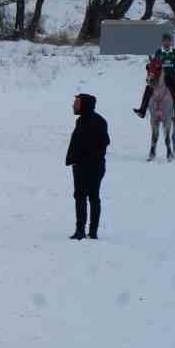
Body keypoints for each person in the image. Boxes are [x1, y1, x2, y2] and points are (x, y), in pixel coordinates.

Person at [66, 92, 110, 240]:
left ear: (84, 105)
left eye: (76, 103)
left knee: (81, 197)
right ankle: (92, 231)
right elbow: (105, 142)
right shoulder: (99, 120)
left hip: (85, 166)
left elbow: (100, 143)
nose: (73, 105)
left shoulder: (85, 122)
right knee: (93, 197)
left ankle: (80, 231)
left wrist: (80, 158)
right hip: (96, 166)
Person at [134, 33, 175, 118]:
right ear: (162, 42)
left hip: (172, 76)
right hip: (159, 77)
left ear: (171, 42)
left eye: (168, 41)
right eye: (165, 41)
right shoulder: (158, 52)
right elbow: (154, 63)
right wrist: (151, 67)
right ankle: (142, 110)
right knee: (148, 88)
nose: (166, 43)